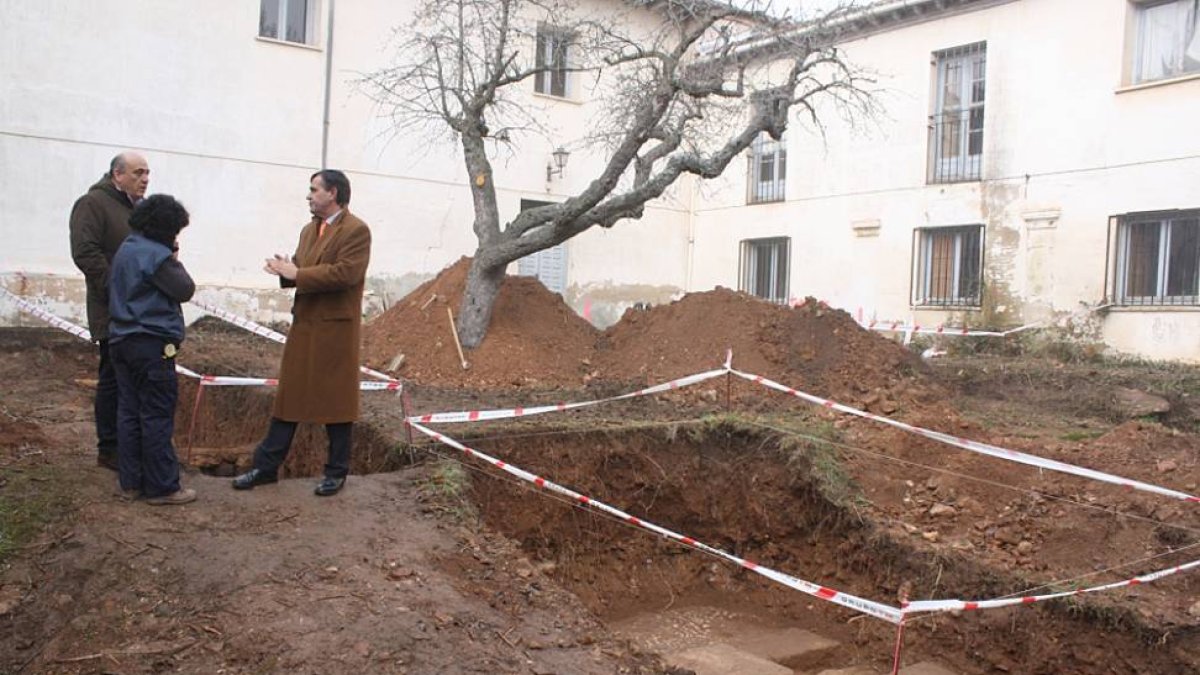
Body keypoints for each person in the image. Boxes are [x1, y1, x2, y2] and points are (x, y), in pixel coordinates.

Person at [233, 169, 372, 496]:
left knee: (336, 404)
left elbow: (345, 274)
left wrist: (298, 272)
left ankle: (336, 472)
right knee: (289, 398)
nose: (308, 196)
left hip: (335, 329)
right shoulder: (309, 230)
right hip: (306, 324)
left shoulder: (357, 230)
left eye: (314, 190)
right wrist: (284, 270)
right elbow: (302, 268)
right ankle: (266, 468)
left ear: (333, 193)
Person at [108, 194, 196, 505]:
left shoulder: (127, 248)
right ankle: (162, 487)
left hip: (121, 340)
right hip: (151, 342)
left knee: (129, 412)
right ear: (165, 228)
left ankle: (131, 483)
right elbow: (185, 289)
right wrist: (173, 257)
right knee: (156, 414)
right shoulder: (155, 256)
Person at [69, 152, 151, 471]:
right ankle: (110, 448)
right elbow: (85, 252)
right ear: (117, 175)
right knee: (113, 377)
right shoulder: (93, 204)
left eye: (147, 173)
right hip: (112, 307)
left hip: (143, 308)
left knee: (136, 379)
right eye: (137, 172)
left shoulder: (140, 209)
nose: (144, 179)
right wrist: (115, 289)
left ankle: (134, 445)